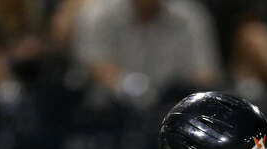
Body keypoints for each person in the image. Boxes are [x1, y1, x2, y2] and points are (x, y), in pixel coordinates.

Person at [71, 0, 220, 105]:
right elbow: (93, 64)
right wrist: (134, 87)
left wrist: (180, 91)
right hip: (108, 112)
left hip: (172, 110)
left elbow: (206, 73)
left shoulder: (191, 16)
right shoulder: (98, 14)